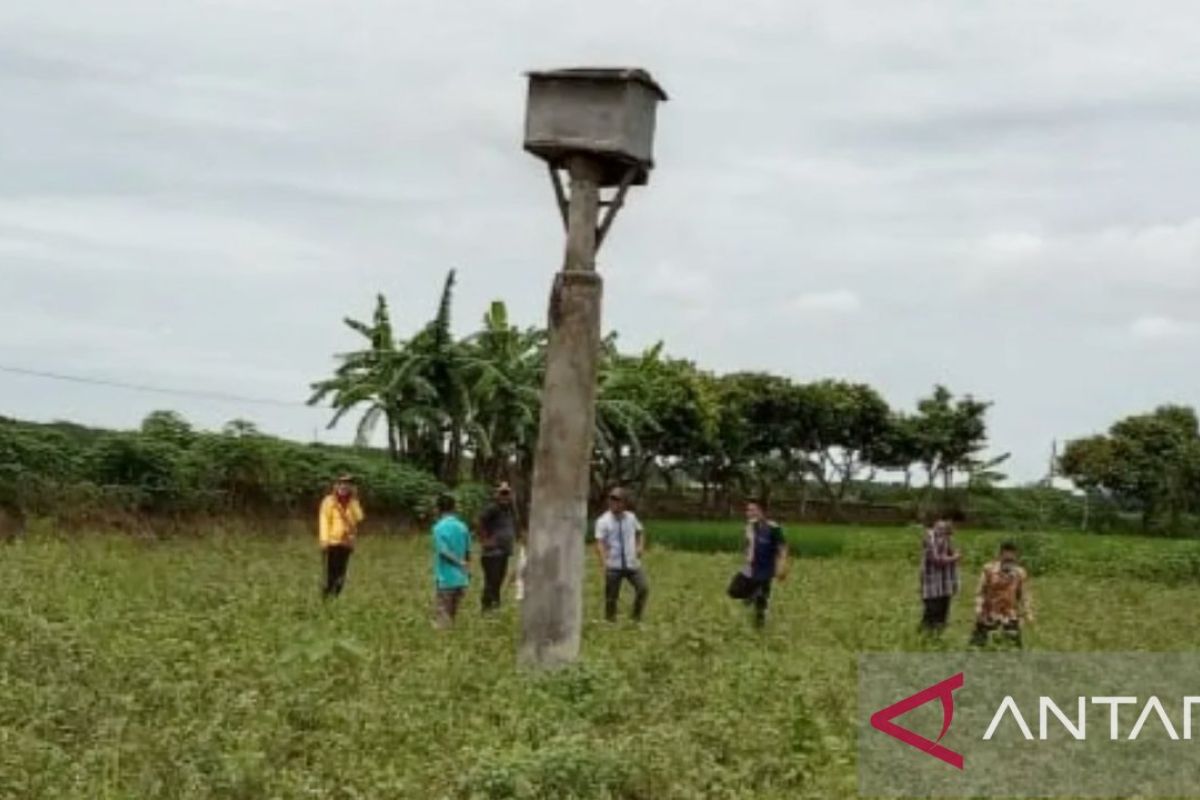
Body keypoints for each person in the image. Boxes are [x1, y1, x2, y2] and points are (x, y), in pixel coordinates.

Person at [594, 487, 649, 622]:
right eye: (611, 500)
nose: (614, 503)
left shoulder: (631, 517)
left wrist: (640, 546)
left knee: (643, 589)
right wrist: (603, 561)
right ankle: (610, 621)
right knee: (611, 597)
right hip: (613, 565)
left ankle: (636, 618)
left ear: (624, 503)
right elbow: (599, 542)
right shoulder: (603, 521)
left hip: (632, 564)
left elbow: (640, 531)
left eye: (617, 500)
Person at [733, 499, 790, 628]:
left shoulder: (773, 528)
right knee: (735, 591)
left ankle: (759, 627)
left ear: (762, 512)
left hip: (766, 569)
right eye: (748, 510)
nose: (750, 513)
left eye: (753, 510)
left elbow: (783, 547)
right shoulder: (749, 526)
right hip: (751, 566)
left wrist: (782, 565)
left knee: (761, 602)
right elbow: (747, 546)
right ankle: (753, 595)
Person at [970, 541, 1033, 648]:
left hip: (1010, 614)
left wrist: (1027, 613)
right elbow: (980, 591)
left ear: (1016, 558)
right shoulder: (988, 570)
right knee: (976, 647)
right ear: (1000, 556)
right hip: (988, 613)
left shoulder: (1020, 573)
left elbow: (1024, 595)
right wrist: (978, 607)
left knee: (1014, 648)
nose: (1009, 562)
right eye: (1006, 559)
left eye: (1011, 560)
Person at [318, 474, 365, 598]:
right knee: (330, 573)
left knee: (341, 574)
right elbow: (324, 521)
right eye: (341, 484)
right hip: (332, 542)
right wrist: (324, 539)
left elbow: (360, 517)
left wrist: (354, 500)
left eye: (347, 485)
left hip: (346, 542)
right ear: (336, 485)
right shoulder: (329, 501)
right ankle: (326, 598)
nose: (344, 487)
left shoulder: (353, 502)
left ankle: (336, 597)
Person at [477, 481, 519, 612]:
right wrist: (485, 540)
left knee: (498, 581)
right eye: (502, 493)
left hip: (503, 552)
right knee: (491, 581)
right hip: (493, 553)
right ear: (496, 494)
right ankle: (487, 609)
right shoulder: (493, 508)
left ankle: (495, 607)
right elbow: (480, 521)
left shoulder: (509, 509)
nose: (505, 496)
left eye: (507, 493)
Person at [432, 493, 471, 629]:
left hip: (445, 578)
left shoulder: (438, 527)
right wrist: (466, 570)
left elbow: (443, 552)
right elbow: (468, 552)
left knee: (443, 618)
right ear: (454, 508)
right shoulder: (463, 526)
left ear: (438, 509)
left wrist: (458, 562)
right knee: (452, 617)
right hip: (461, 579)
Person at [919, 518, 961, 633]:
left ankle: (938, 635)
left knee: (943, 612)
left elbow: (956, 556)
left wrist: (955, 583)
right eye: (942, 528)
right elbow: (936, 560)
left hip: (945, 583)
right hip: (931, 583)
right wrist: (954, 558)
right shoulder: (930, 538)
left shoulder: (948, 539)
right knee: (932, 611)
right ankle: (925, 636)